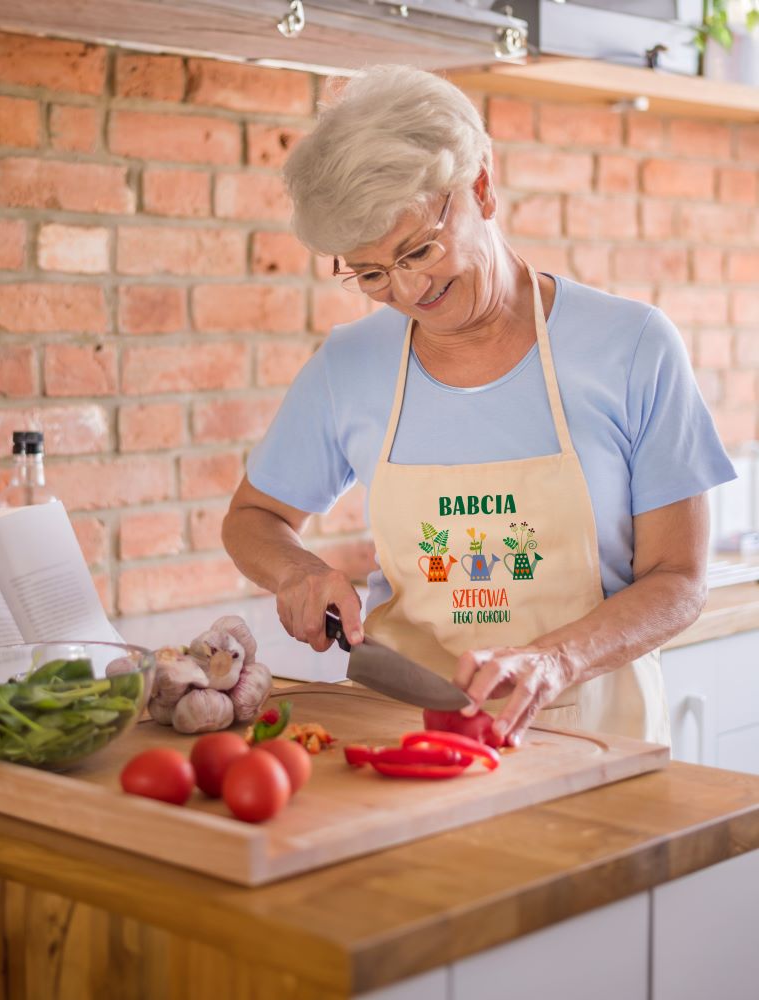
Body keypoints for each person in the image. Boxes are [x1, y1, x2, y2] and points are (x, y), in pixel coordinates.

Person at [221, 65, 735, 747]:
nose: (407, 289)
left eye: (419, 250)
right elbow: (252, 518)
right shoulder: (348, 366)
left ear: (482, 187)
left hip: (589, 732)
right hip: (402, 731)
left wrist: (556, 659)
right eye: (371, 274)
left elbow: (678, 579)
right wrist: (300, 571)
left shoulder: (632, 346)